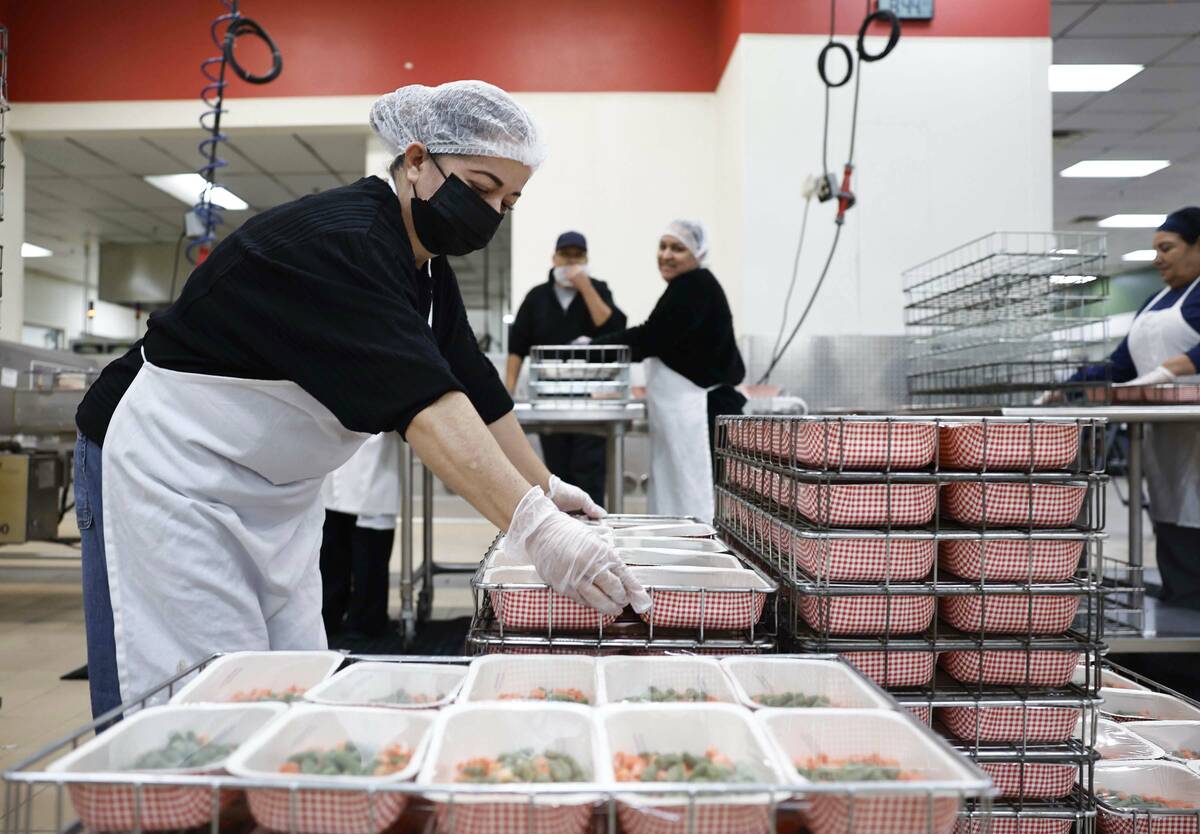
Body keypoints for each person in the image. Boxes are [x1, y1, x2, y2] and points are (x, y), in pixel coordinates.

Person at [71, 80, 649, 718]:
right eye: (481, 188)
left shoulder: (425, 268)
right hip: (173, 474)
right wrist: (536, 529)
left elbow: (475, 388)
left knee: (288, 687)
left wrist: (544, 486)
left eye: (507, 201)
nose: (490, 212)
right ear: (418, 160)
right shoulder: (347, 241)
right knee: (198, 699)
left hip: (270, 496)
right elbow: (428, 410)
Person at [1074, 207, 1200, 606]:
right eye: (1155, 249)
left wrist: (1168, 371)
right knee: (1171, 522)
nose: (1158, 258)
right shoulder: (1156, 299)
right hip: (1164, 437)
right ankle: (1183, 615)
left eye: (1168, 247)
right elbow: (1122, 362)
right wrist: (1066, 384)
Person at [595, 220, 746, 520]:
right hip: (685, 418)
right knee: (678, 500)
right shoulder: (688, 287)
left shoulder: (695, 286)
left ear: (698, 254)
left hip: (700, 417)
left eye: (678, 248)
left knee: (696, 503)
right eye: (662, 246)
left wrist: (592, 349)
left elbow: (650, 338)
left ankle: (697, 563)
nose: (666, 254)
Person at [506, 231, 626, 504]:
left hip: (592, 398)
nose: (571, 262)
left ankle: (593, 528)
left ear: (586, 259)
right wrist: (508, 392)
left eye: (578, 256)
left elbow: (612, 326)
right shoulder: (537, 297)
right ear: (554, 258)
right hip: (549, 399)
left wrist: (585, 286)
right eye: (565, 255)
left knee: (590, 469)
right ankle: (561, 531)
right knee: (555, 472)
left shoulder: (599, 290)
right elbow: (517, 347)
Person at [319, 433, 401, 641]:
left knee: (370, 547)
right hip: (330, 453)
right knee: (331, 545)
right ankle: (330, 616)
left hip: (373, 449)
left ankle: (366, 622)